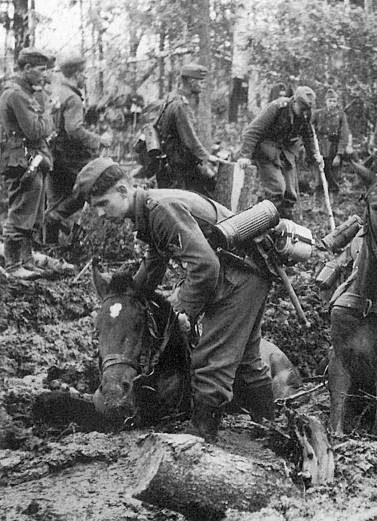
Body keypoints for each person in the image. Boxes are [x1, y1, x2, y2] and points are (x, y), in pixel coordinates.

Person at [73, 157, 276, 443]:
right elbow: (155, 261)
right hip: (246, 275)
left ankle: (201, 436)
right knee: (246, 360)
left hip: (236, 280)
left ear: (122, 191)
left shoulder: (160, 210)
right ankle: (272, 428)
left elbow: (206, 267)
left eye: (103, 203)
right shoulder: (148, 210)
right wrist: (128, 295)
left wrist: (184, 310)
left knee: (211, 358)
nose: (100, 213)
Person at [45, 53, 113, 244]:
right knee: (89, 187)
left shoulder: (57, 92)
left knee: (55, 200)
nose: (86, 77)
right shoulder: (73, 98)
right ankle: (54, 219)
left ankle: (50, 247)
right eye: (84, 73)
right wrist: (100, 140)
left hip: (53, 155)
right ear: (76, 74)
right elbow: (73, 129)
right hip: (70, 157)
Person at [0, 48, 55, 279]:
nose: (44, 75)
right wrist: (50, 114)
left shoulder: (24, 92)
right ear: (27, 68)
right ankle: (13, 266)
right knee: (21, 211)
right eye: (41, 70)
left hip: (31, 158)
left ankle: (26, 260)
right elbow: (34, 130)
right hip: (22, 159)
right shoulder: (16, 95)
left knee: (33, 214)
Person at [237, 85, 323, 219]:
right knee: (277, 190)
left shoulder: (306, 113)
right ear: (294, 101)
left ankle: (285, 227)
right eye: (301, 109)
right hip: (267, 151)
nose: (303, 113)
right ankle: (262, 226)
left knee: (290, 194)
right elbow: (252, 131)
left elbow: (308, 135)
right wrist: (245, 156)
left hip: (286, 152)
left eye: (306, 109)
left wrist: (314, 155)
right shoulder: (277, 107)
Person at [157, 63, 218, 196]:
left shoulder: (171, 98)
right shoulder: (180, 105)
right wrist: (207, 157)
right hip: (179, 168)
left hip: (173, 164)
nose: (202, 86)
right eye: (201, 82)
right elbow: (189, 139)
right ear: (192, 82)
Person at [311, 89, 350, 193]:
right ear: (326, 101)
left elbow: (344, 136)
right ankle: (317, 206)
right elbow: (309, 129)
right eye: (330, 101)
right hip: (320, 149)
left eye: (334, 101)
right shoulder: (318, 114)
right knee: (319, 180)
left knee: (334, 179)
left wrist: (339, 154)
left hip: (334, 149)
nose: (332, 103)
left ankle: (334, 206)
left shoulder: (341, 116)